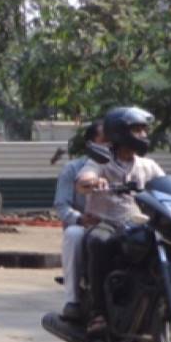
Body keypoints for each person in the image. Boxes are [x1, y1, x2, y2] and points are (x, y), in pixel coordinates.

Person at [77, 106, 166, 334]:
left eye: (145, 131)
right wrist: (92, 181)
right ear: (119, 132)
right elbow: (84, 179)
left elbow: (166, 187)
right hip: (107, 223)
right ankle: (98, 313)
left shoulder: (148, 166)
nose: (144, 136)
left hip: (137, 224)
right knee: (99, 242)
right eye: (137, 130)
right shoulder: (101, 160)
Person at [54, 119, 106, 322]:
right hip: (87, 228)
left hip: (119, 226)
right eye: (105, 141)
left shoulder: (130, 166)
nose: (110, 146)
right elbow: (61, 205)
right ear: (91, 145)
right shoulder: (74, 170)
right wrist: (80, 219)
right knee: (73, 234)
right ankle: (72, 300)